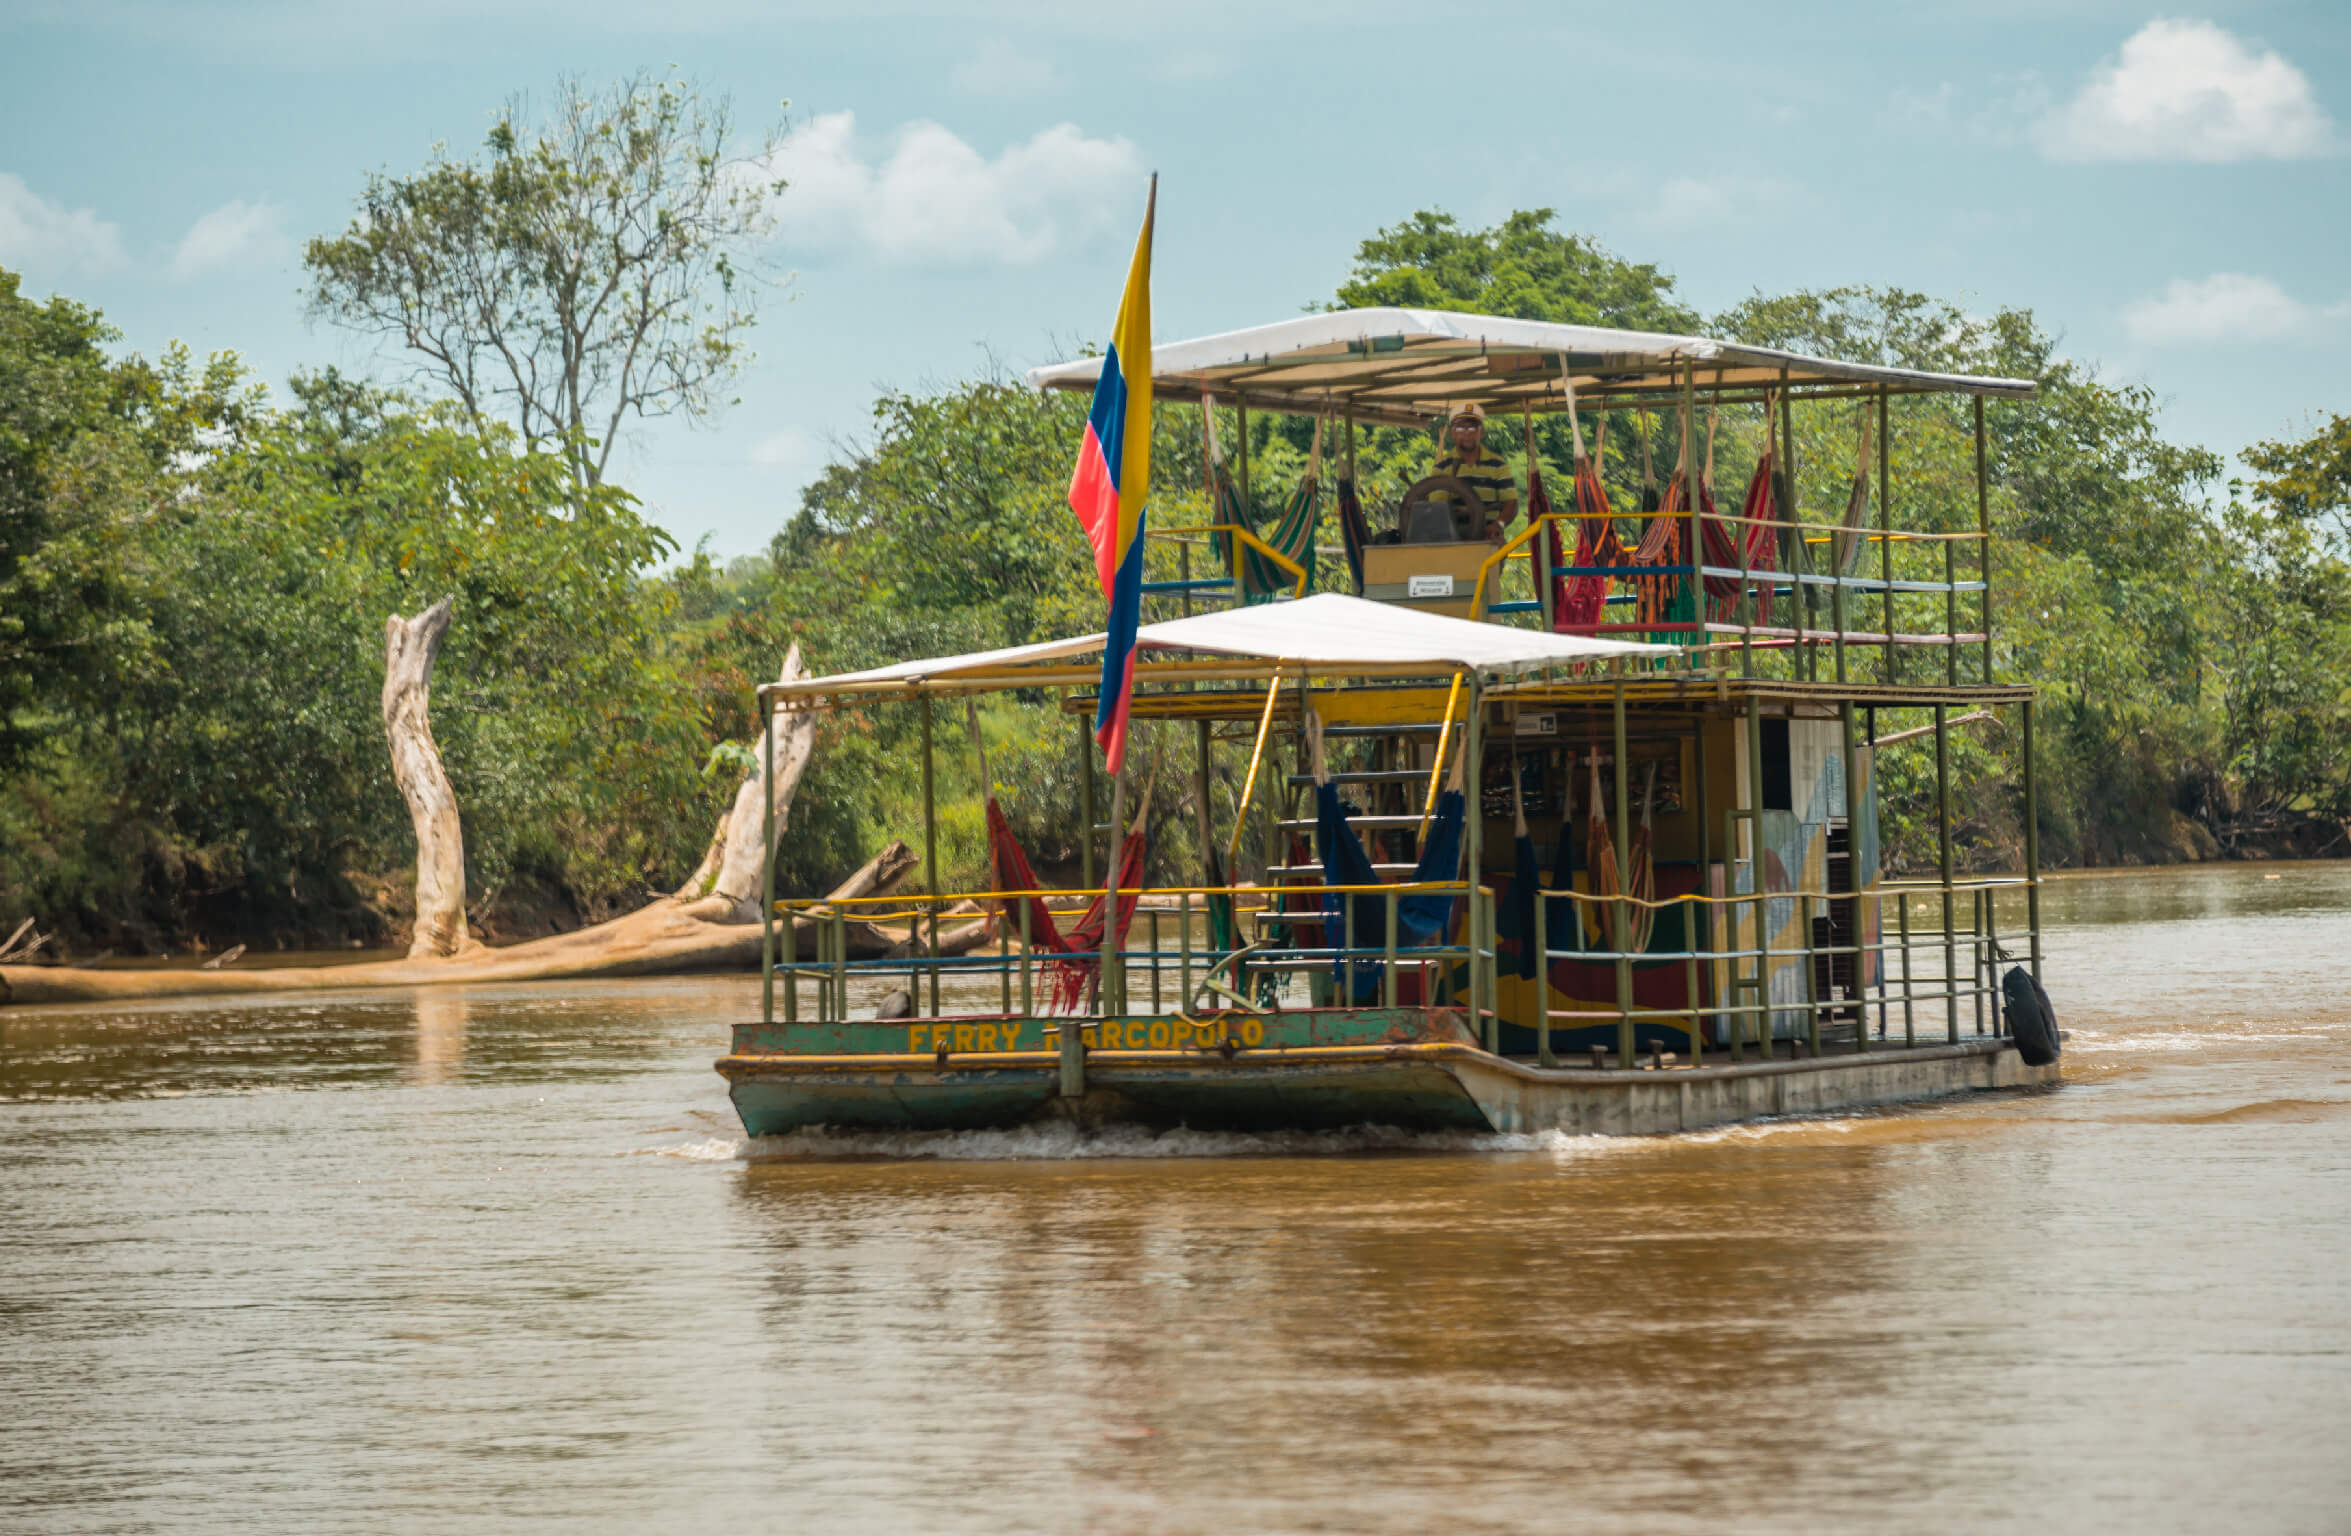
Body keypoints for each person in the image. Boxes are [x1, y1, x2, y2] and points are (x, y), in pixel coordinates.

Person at [1431, 402, 1519, 541]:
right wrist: (1464, 510)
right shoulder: (1442, 466)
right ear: (1452, 433)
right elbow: (1436, 507)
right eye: (1460, 428)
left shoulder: (1497, 465)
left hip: (1488, 535)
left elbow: (1511, 503)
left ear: (1481, 432)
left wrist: (1498, 525)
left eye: (1472, 427)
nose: (1467, 433)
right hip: (1452, 537)